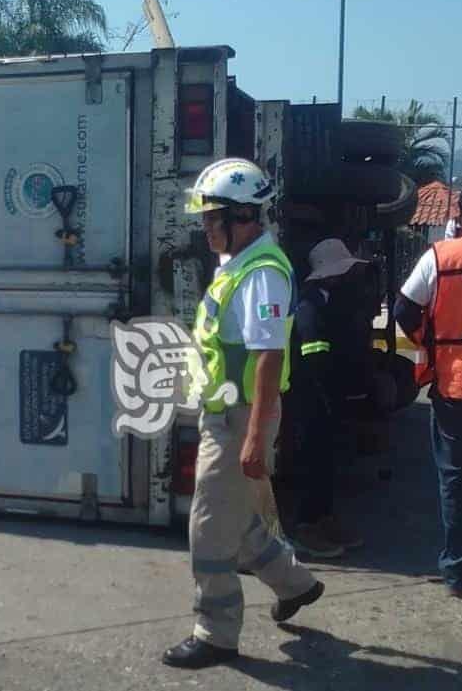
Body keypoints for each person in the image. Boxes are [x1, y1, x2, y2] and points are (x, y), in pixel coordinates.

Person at [162, 158, 323, 670]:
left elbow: (269, 357)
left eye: (215, 221)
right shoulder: (238, 264)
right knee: (238, 516)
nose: (207, 230)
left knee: (208, 528)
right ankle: (295, 584)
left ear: (246, 217)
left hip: (241, 417)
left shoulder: (262, 274)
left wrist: (255, 437)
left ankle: (215, 633)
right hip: (226, 411)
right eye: (206, 221)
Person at [394, 186, 462, 600]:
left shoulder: (441, 257)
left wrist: (432, 342)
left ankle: (459, 571)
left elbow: (404, 308)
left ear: (461, 215)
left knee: (456, 478)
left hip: (455, 382)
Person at [288, 239, 367, 558]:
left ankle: (323, 518)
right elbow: (313, 354)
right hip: (313, 398)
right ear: (329, 274)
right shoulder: (310, 306)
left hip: (327, 397)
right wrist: (326, 390)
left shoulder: (328, 301)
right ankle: (306, 526)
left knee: (326, 461)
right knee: (313, 462)